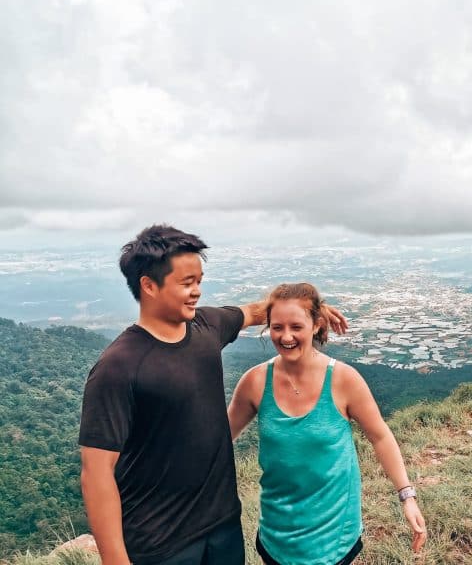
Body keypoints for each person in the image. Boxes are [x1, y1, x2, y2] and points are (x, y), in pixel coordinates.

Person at [78, 225, 347, 565]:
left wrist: (309, 309)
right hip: (159, 541)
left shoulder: (205, 327)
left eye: (199, 281)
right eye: (186, 283)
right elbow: (96, 472)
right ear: (148, 285)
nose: (197, 292)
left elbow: (253, 311)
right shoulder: (119, 366)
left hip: (222, 525)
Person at [228, 283, 427, 565]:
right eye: (277, 327)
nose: (286, 337)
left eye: (296, 326)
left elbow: (380, 436)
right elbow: (220, 438)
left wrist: (407, 496)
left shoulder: (344, 380)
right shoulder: (255, 382)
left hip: (334, 535)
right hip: (276, 533)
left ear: (316, 325)